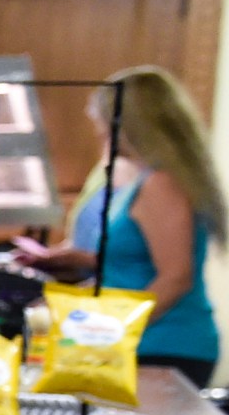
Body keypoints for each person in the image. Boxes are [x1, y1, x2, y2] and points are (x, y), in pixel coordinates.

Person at [17, 66, 222, 387]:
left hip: (165, 346)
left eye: (101, 122)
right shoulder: (141, 182)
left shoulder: (162, 185)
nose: (98, 132)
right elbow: (128, 272)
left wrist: (109, 332)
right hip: (144, 344)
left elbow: (175, 278)